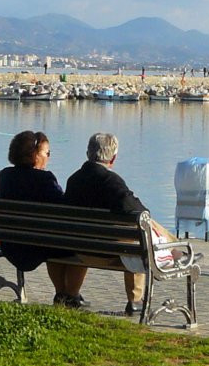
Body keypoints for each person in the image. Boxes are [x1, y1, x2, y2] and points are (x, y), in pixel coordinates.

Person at [64, 131, 172, 316]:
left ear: (88, 153)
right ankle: (136, 300)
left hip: (80, 249)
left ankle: (71, 294)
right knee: (142, 232)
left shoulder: (74, 180)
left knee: (135, 232)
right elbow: (140, 211)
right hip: (107, 252)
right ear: (113, 158)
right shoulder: (110, 181)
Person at [0, 130, 89, 308]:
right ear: (34, 155)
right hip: (38, 245)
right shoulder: (45, 179)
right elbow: (64, 208)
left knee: (53, 240)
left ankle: (62, 294)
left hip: (11, 243)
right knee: (79, 244)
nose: (48, 157)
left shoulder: (5, 176)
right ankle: (71, 294)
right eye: (47, 153)